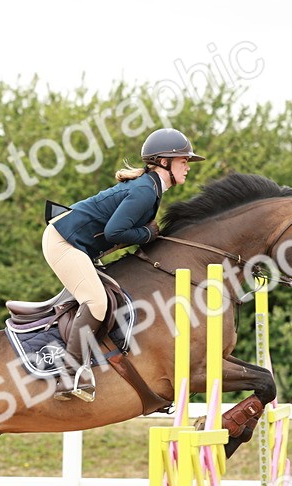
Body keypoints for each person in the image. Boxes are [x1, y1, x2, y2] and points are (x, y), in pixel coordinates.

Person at [43, 127, 204, 400]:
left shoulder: (151, 188)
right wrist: (149, 234)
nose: (188, 167)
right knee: (97, 302)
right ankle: (68, 376)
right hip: (63, 242)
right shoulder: (145, 191)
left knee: (107, 297)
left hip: (77, 243)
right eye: (184, 161)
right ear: (164, 162)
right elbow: (114, 233)